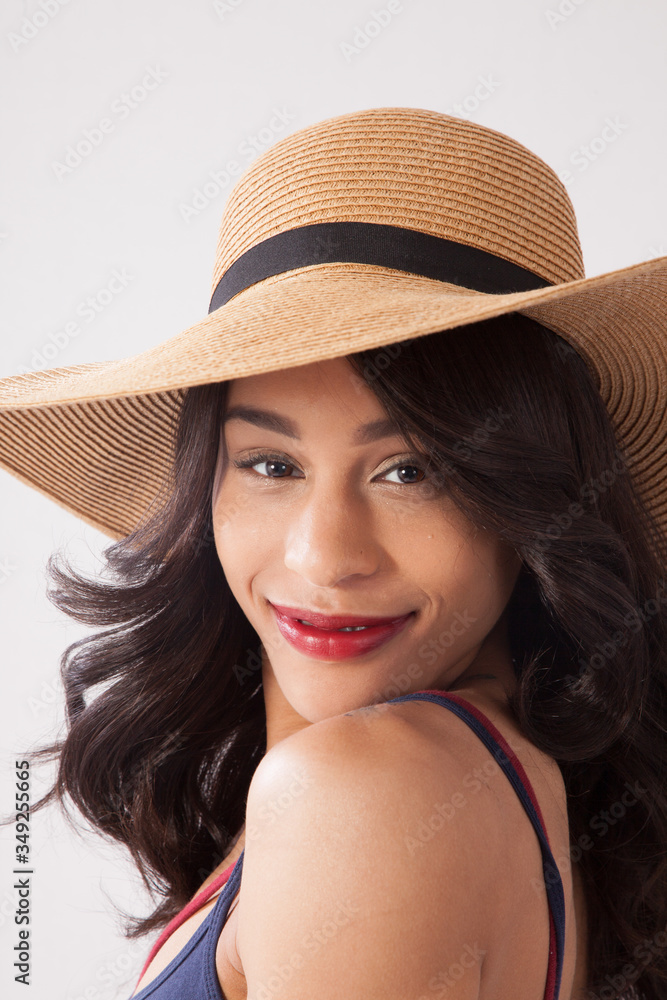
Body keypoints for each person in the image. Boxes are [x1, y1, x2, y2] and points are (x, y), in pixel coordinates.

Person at [0, 106, 665, 1000]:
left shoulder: (366, 795)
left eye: (409, 471)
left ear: (531, 497)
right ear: (209, 487)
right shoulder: (477, 781)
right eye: (270, 464)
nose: (325, 557)